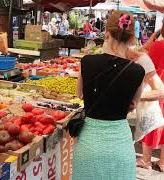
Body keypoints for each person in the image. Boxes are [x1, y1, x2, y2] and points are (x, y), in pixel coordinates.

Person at [73, 11, 146, 180]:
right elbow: (133, 105)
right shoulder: (137, 71)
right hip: (120, 145)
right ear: (131, 39)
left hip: (89, 144)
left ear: (107, 34)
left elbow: (80, 94)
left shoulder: (87, 61)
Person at [136, 18, 164, 171]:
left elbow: (146, 60)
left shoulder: (159, 45)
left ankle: (146, 160)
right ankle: (162, 163)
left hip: (158, 85)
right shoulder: (157, 39)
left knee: (152, 120)